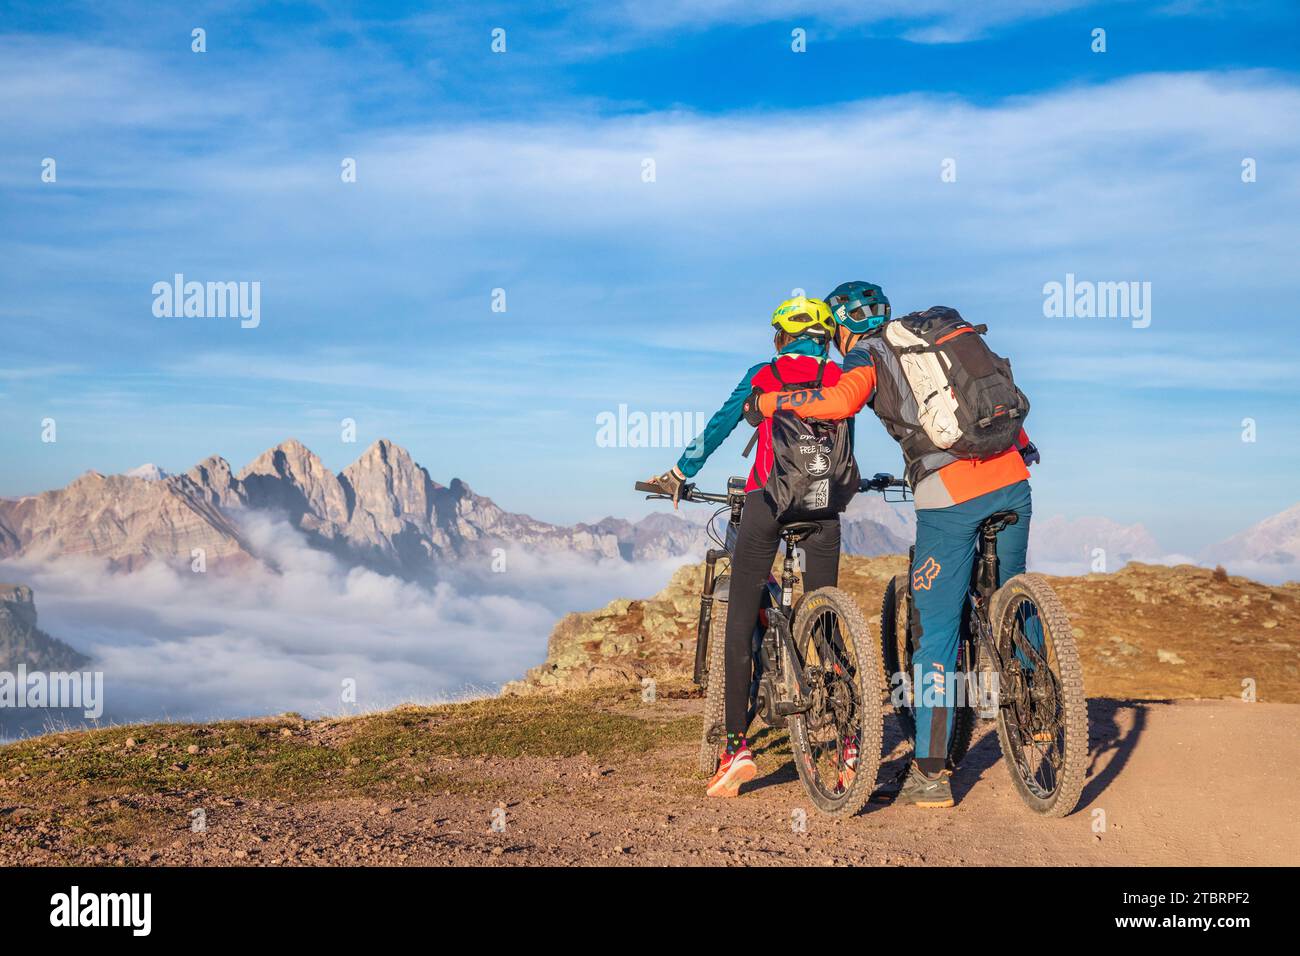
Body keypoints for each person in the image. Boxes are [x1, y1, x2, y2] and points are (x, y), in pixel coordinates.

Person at [747, 281, 1040, 809]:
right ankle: (1041, 710)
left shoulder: (869, 352)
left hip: (950, 497)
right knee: (1010, 597)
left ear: (840, 326)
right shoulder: (935, 335)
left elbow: (838, 402)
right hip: (1014, 480)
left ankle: (929, 776)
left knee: (937, 636)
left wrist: (770, 402)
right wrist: (1021, 447)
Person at [642, 296, 846, 798]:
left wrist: (679, 473)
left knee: (739, 617)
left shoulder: (764, 372)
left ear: (781, 336)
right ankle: (848, 743)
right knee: (827, 622)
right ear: (823, 337)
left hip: (767, 503)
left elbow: (720, 425)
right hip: (824, 507)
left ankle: (736, 751)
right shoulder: (843, 375)